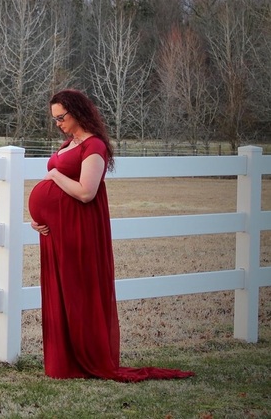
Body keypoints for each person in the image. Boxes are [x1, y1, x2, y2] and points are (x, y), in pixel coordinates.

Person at [28, 89, 194, 382]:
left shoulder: (94, 147)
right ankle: (64, 361)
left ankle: (85, 358)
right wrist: (38, 218)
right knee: (61, 292)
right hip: (55, 232)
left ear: (78, 112)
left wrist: (53, 176)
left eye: (61, 117)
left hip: (78, 229)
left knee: (78, 292)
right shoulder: (69, 144)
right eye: (54, 119)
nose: (57, 124)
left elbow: (86, 192)